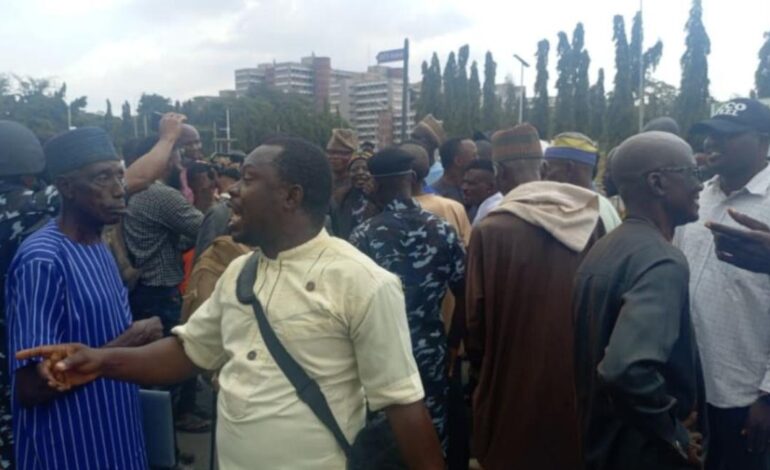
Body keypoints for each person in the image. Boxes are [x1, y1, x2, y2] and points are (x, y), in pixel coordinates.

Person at [17, 137, 445, 470]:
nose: (230, 192)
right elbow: (188, 351)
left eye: (248, 179)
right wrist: (101, 360)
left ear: (291, 197)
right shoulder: (242, 272)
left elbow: (403, 406)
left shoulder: (364, 282)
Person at [0, 115, 184, 468]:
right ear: (66, 188)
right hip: (67, 451)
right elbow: (30, 387)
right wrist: (128, 343)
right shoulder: (43, 260)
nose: (120, 188)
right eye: (102, 177)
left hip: (117, 440)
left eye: (119, 174)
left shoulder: (98, 245)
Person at [466, 124, 603, 470]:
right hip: (577, 387)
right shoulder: (590, 220)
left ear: (499, 175)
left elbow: (475, 324)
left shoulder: (490, 231)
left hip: (510, 388)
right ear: (542, 170)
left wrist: (483, 378)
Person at [574, 131, 707, 470]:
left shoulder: (608, 246)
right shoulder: (662, 260)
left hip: (604, 443)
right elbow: (624, 368)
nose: (701, 184)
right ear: (657, 183)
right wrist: (673, 432)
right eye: (692, 172)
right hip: (645, 452)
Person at [674, 98, 770, 470]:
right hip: (691, 390)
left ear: (763, 141)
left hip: (745, 399)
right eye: (708, 134)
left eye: (726, 135)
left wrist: (767, 396)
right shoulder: (696, 197)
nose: (711, 143)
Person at [350, 148, 466, 452]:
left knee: (382, 440)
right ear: (412, 179)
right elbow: (466, 294)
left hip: (379, 357)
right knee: (431, 436)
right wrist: (453, 344)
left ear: (374, 184)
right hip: (431, 354)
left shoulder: (363, 235)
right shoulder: (443, 230)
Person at [401, 140, 472, 470]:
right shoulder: (450, 211)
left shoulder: (371, 224)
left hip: (397, 343)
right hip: (442, 336)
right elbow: (466, 280)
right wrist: (457, 343)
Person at [543, 132, 622, 232]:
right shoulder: (606, 206)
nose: (544, 174)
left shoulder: (572, 213)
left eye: (548, 167)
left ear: (569, 168)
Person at [432, 138, 478, 205]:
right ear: (458, 161)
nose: (478, 159)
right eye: (474, 156)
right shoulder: (436, 197)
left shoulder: (479, 189)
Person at [461, 160, 502, 226]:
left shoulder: (494, 212)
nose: (464, 188)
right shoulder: (479, 209)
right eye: (464, 182)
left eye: (471, 184)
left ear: (490, 187)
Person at [411, 114, 447, 187]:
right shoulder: (406, 172)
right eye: (412, 137)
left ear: (432, 144)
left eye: (417, 138)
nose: (412, 141)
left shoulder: (441, 174)